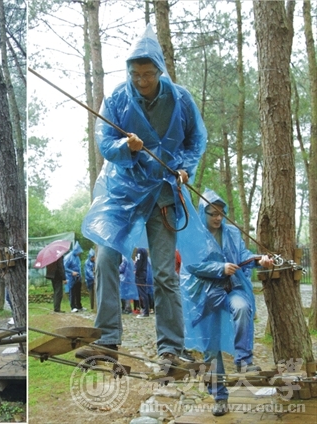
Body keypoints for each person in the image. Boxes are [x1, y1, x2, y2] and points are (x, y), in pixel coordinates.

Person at [77, 24, 207, 364]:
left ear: (159, 71)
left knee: (164, 273)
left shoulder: (180, 99)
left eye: (148, 74)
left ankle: (171, 348)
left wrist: (185, 169)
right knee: (105, 258)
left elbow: (196, 141)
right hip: (122, 191)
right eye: (136, 74)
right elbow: (105, 143)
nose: (142, 80)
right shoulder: (117, 98)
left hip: (163, 193)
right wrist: (126, 146)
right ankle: (107, 340)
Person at [180, 189, 273, 416]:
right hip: (204, 296)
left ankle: (243, 360)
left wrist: (259, 260)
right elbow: (192, 265)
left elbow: (243, 255)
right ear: (203, 213)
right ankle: (219, 397)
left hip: (232, 287)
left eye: (221, 213)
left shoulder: (231, 232)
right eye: (213, 213)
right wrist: (219, 268)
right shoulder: (194, 235)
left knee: (242, 307)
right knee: (211, 349)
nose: (218, 217)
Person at [64, 241, 84, 313]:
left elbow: (78, 267)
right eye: (79, 252)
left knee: (78, 292)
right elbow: (65, 267)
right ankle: (73, 307)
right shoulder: (68, 257)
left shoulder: (77, 257)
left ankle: (79, 306)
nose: (79, 253)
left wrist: (80, 275)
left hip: (78, 277)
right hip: (71, 277)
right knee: (72, 292)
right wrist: (72, 272)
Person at [134, 247, 151, 318]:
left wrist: (136, 271)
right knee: (143, 292)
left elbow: (139, 262)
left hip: (140, 274)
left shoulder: (139, 250)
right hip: (143, 273)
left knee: (142, 293)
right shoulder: (144, 250)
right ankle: (145, 310)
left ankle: (145, 311)